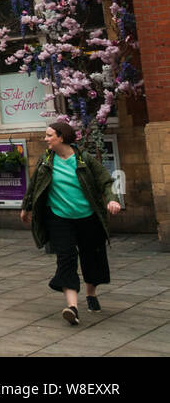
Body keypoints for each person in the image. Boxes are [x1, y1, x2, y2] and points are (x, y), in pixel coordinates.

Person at [21, 120, 122, 325]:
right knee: (66, 258)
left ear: (61, 137)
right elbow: (34, 185)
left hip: (88, 217)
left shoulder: (84, 159)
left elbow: (105, 181)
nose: (46, 139)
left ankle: (91, 294)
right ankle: (72, 307)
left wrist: (112, 199)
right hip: (59, 217)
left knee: (92, 257)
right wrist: (26, 207)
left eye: (49, 135)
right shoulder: (46, 160)